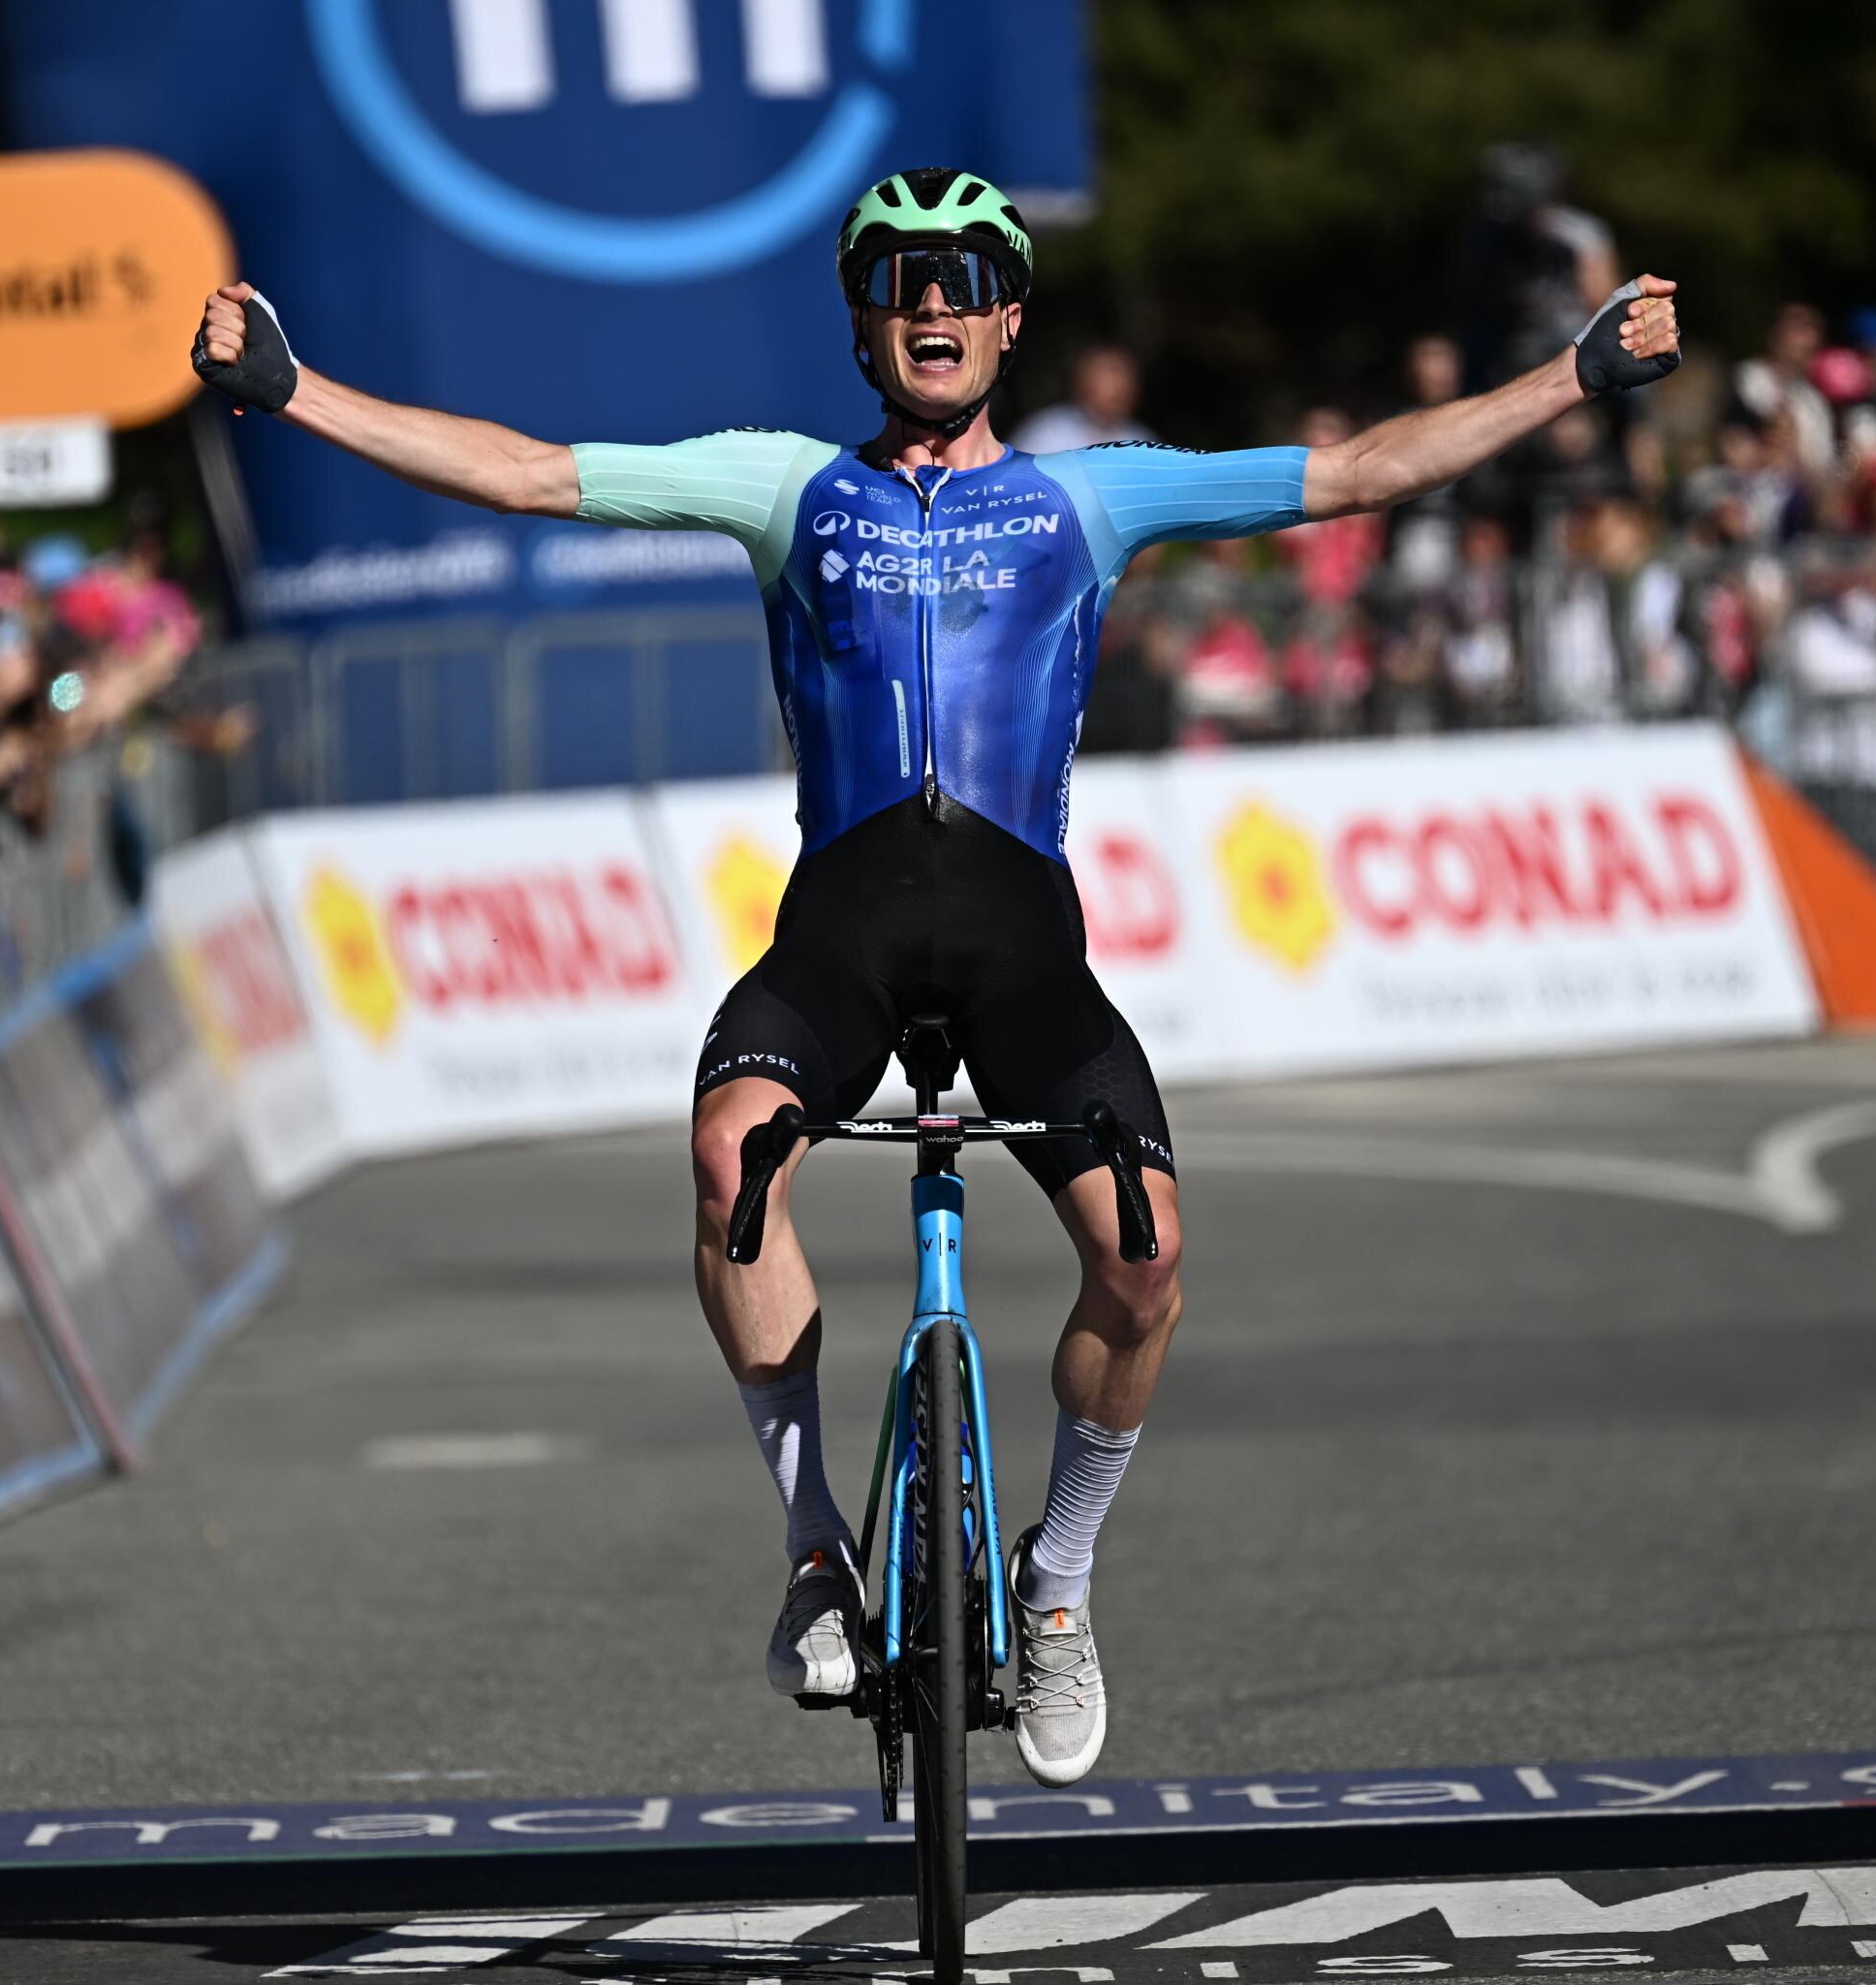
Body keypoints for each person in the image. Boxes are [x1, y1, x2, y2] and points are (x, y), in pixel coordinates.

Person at [191, 167, 1680, 1786]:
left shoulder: (1084, 497)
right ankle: (817, 1545)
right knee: (724, 1153)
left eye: (968, 274)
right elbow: (527, 473)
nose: (934, 302)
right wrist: (292, 390)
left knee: (1148, 1251)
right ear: (861, 317)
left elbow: (1358, 469)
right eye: (899, 277)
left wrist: (1572, 376)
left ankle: (1057, 1586)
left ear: (1012, 312)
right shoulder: (782, 487)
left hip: (1023, 950)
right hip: (834, 942)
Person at [1011, 344, 1152, 455]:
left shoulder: (1143, 443)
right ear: (1082, 382)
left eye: (1125, 380)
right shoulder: (1045, 434)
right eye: (1107, 379)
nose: (1119, 390)